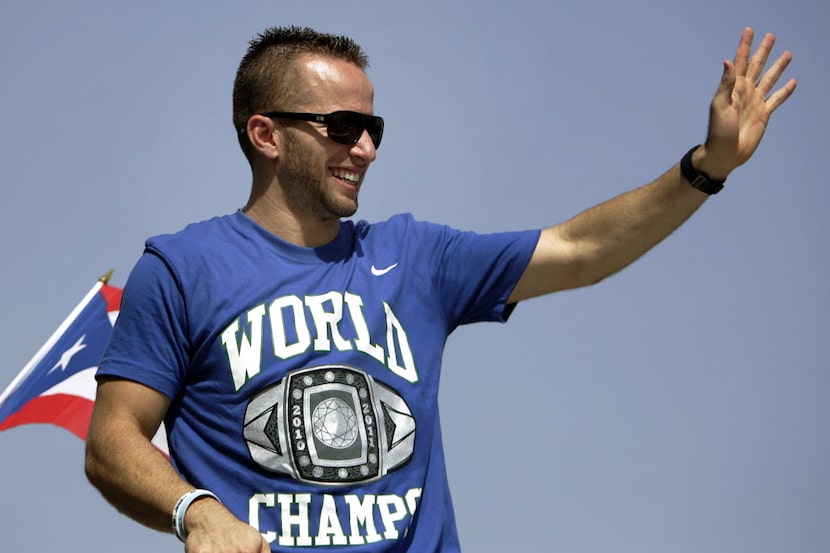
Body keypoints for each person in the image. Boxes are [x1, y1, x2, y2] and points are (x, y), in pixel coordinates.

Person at [84, 25, 796, 552]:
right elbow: (112, 440)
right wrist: (196, 510)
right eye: (343, 126)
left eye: (373, 128)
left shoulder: (415, 255)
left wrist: (706, 167)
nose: (364, 147)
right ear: (266, 134)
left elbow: (581, 251)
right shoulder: (180, 268)